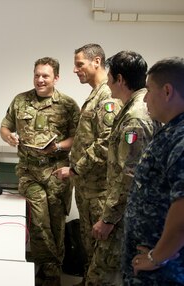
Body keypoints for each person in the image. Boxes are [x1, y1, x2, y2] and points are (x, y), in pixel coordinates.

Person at [0, 57, 80, 285]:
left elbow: (77, 139)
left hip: (57, 172)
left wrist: (57, 146)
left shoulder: (67, 104)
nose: (40, 79)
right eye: (37, 75)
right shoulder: (20, 100)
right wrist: (9, 137)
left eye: (45, 75)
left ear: (56, 78)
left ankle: (50, 270)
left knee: (56, 224)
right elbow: (5, 126)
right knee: (38, 221)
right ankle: (50, 272)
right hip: (29, 172)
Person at [87, 51, 160, 285]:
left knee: (100, 277)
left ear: (119, 79)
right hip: (127, 211)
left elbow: (130, 173)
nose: (107, 83)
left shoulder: (135, 118)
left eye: (109, 77)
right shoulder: (133, 108)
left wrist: (108, 219)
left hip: (125, 214)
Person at [53, 43, 122, 285]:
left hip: (98, 191)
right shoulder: (94, 95)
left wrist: (75, 168)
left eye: (80, 64)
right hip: (86, 190)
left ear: (97, 62)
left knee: (99, 253)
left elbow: (105, 142)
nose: (75, 69)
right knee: (89, 249)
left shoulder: (107, 97)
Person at [123, 57, 184, 285]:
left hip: (163, 272)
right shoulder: (171, 131)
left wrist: (156, 257)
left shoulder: (181, 138)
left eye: (149, 90)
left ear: (167, 91)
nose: (145, 98)